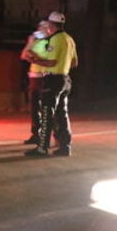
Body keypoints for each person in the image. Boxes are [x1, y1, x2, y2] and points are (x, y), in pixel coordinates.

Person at [24, 11, 78, 157]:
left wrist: (35, 60)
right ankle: (65, 146)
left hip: (53, 79)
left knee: (47, 113)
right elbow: (74, 62)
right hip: (65, 79)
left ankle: (42, 148)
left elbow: (51, 62)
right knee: (62, 114)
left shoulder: (56, 39)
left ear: (52, 24)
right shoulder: (69, 39)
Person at [20, 21, 51, 145]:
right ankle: (35, 133)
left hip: (45, 76)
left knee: (46, 107)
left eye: (44, 27)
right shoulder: (35, 42)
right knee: (34, 107)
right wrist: (30, 43)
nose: (41, 30)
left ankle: (47, 135)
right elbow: (23, 56)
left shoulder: (51, 42)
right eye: (40, 27)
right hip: (34, 76)